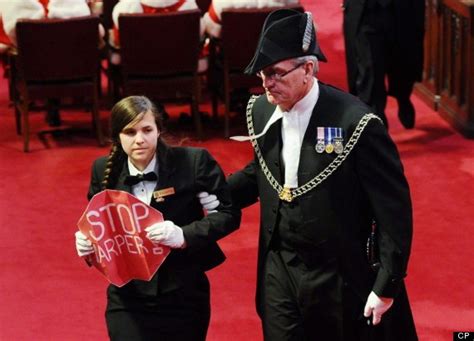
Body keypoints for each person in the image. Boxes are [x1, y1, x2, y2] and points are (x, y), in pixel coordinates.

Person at [201, 9, 417, 340]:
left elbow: (393, 211)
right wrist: (210, 194)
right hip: (279, 267)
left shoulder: (356, 123)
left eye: (276, 74)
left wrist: (387, 285)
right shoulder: (261, 110)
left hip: (338, 276)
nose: (267, 85)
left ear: (308, 69)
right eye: (262, 74)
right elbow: (263, 172)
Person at [74, 95, 240, 340]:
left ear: (159, 129)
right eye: (130, 132)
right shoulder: (102, 170)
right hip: (128, 296)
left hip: (183, 293)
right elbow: (99, 226)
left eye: (147, 130)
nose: (139, 139)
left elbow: (228, 215)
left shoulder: (194, 162)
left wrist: (184, 235)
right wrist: (87, 244)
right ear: (117, 137)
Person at [0, 0, 105, 127]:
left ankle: (48, 105)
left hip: (35, 74)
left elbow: (15, 42)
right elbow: (95, 35)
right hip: (77, 73)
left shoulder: (16, 7)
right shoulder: (76, 6)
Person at [343, 0, 425, 129]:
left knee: (403, 63)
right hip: (366, 13)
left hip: (402, 11)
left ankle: (403, 97)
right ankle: (377, 126)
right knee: (370, 72)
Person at [202, 0, 300, 39]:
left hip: (235, 61)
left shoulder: (221, 3)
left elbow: (211, 31)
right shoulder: (292, 2)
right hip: (278, 61)